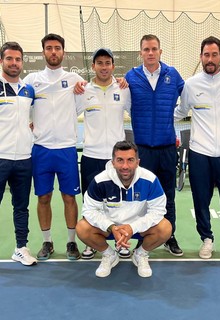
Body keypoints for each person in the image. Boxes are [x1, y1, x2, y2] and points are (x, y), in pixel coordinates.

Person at [174, 36, 220, 260]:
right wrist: (154, 120)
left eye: (215, 54)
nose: (211, 59)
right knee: (201, 199)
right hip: (199, 155)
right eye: (206, 54)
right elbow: (179, 112)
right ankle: (206, 239)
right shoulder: (191, 84)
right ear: (201, 57)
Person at [24, 33, 83, 260]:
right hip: (41, 149)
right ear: (43, 52)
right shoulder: (31, 80)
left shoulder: (75, 79)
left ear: (63, 52)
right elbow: (23, 107)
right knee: (43, 198)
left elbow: (78, 108)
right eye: (49, 48)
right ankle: (47, 242)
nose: (53, 52)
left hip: (67, 148)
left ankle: (71, 242)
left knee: (69, 197)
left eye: (57, 48)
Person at [76, 141, 172, 278]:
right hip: (110, 229)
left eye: (130, 160)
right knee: (82, 228)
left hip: (139, 228)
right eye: (120, 160)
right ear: (113, 162)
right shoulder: (100, 181)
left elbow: (158, 212)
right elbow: (89, 211)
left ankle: (140, 254)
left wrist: (132, 227)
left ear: (137, 162)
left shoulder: (150, 180)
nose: (125, 166)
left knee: (165, 228)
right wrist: (111, 227)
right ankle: (109, 255)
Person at [125, 34, 184, 256]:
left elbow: (189, 99)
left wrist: (172, 117)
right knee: (143, 196)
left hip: (167, 148)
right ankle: (143, 238)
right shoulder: (131, 77)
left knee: (168, 194)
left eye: (154, 49)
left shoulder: (173, 75)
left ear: (160, 52)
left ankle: (169, 236)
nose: (150, 53)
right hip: (142, 150)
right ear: (140, 53)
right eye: (146, 49)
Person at [77, 48, 131, 260]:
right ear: (93, 67)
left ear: (113, 66)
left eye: (107, 63)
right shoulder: (84, 91)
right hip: (91, 155)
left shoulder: (124, 89)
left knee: (119, 203)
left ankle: (122, 242)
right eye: (99, 63)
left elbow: (136, 111)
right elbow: (66, 112)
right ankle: (91, 243)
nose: (104, 67)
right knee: (91, 202)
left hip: (116, 160)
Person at [0, 42, 37, 266]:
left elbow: (33, 119)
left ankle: (21, 248)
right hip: (1, 158)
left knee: (21, 206)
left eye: (17, 59)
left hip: (24, 158)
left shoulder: (28, 90)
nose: (14, 63)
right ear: (2, 61)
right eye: (9, 59)